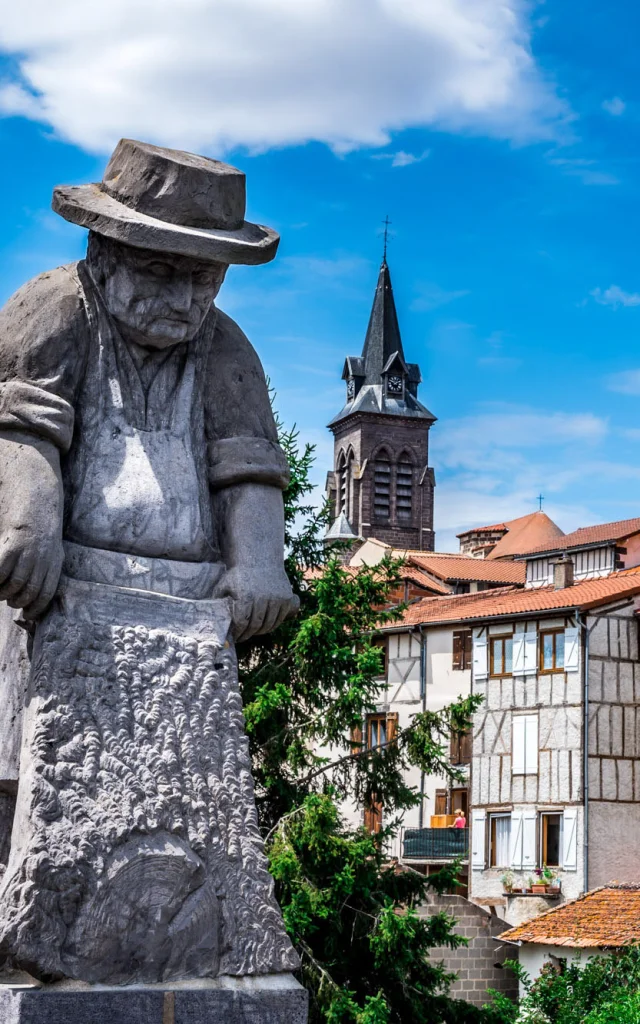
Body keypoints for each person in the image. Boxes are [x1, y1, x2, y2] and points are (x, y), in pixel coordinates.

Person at [0, 139, 300, 983]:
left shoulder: (227, 346)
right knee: (24, 773)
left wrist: (258, 563)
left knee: (191, 802)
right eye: (164, 272)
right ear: (108, 249)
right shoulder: (51, 309)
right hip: (54, 590)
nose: (184, 297)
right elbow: (22, 430)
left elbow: (248, 464)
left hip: (185, 606)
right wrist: (28, 522)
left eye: (205, 278)